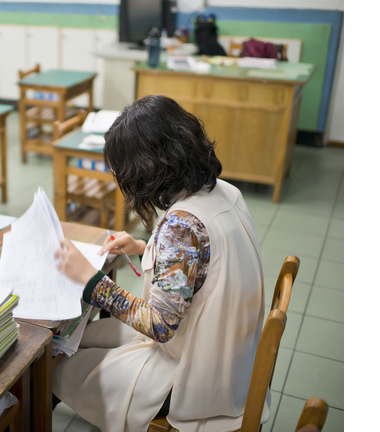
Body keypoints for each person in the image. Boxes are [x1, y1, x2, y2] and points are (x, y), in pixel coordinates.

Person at [53, 95, 267, 432]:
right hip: (231, 354)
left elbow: (160, 326)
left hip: (194, 375)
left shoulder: (181, 228)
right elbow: (203, 265)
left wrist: (92, 282)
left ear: (146, 169)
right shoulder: (225, 192)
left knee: (60, 368)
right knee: (89, 335)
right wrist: (143, 247)